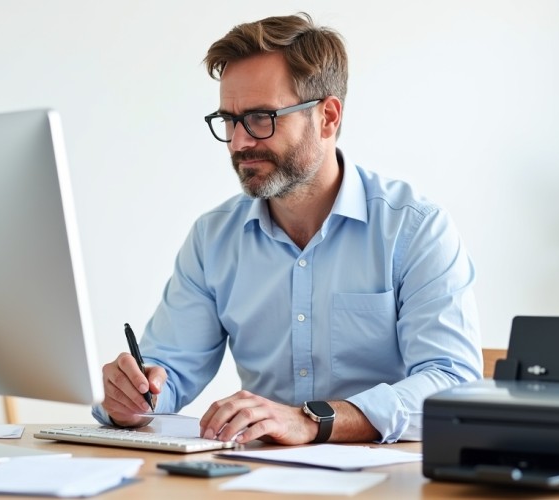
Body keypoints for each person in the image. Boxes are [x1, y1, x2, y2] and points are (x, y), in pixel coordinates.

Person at [93, 12, 482, 445]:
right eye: (229, 120)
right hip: (260, 476)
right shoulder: (213, 238)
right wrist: (133, 397)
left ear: (328, 117)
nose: (240, 142)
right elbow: (171, 371)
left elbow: (452, 385)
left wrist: (313, 420)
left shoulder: (414, 229)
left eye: (261, 117)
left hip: (387, 480)